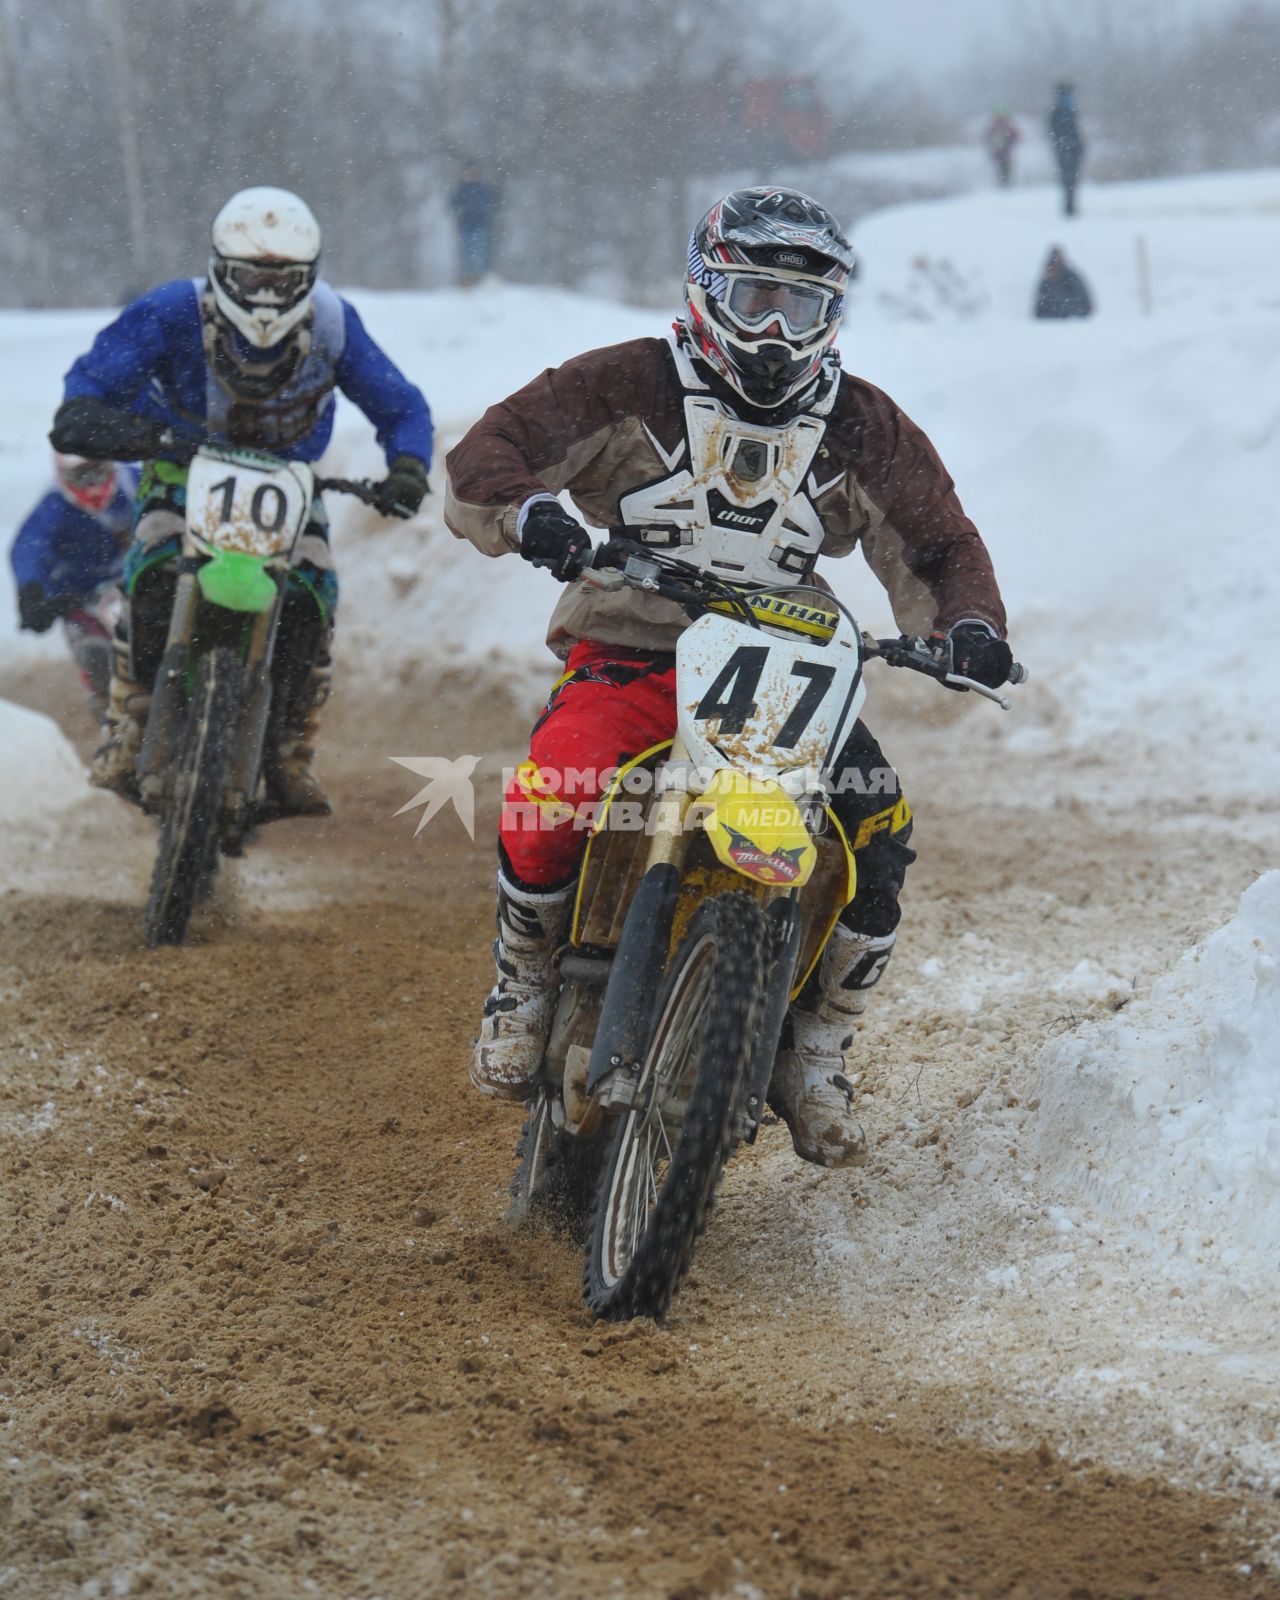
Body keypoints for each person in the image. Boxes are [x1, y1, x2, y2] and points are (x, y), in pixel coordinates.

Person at [444, 186, 1012, 1169]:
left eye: (800, 306)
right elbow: (486, 453)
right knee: (557, 789)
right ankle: (523, 979)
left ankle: (816, 1048)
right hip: (631, 643)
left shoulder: (861, 426)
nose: (775, 329)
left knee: (873, 832)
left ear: (831, 314)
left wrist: (967, 628)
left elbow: (934, 542)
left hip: (785, 669)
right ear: (706, 290)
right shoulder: (622, 383)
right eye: (753, 298)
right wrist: (529, 511)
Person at [49, 186, 433, 815]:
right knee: (149, 573)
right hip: (179, 468)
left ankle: (288, 746)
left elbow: (400, 403)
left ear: (309, 277)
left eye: (282, 281)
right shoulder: (173, 310)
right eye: (250, 276)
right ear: (220, 269)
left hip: (288, 482)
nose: (264, 295)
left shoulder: (334, 322)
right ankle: (127, 723)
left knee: (315, 591)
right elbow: (88, 386)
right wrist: (105, 423)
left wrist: (409, 465)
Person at [9, 453, 139, 718]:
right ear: (62, 474)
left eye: (97, 471)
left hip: (138, 586)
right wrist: (31, 591)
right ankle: (108, 721)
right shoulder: (53, 506)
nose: (91, 483)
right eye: (81, 475)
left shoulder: (134, 483)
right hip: (81, 600)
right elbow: (29, 548)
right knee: (93, 655)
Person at [448, 163, 501, 287]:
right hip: (465, 225)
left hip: (481, 224)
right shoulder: (461, 189)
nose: (471, 175)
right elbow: (453, 205)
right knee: (465, 253)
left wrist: (487, 211)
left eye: (473, 172)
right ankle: (465, 279)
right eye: (469, 172)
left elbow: (494, 201)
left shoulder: (483, 189)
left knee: (481, 251)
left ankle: (481, 279)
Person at [1048, 83, 1085, 217]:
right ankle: (1069, 205)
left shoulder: (1070, 111)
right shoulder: (1058, 112)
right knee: (1068, 177)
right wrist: (1064, 143)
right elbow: (1055, 132)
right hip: (1065, 149)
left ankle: (1070, 204)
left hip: (1072, 148)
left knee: (1071, 178)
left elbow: (1075, 131)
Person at [1034, 246, 1093, 319]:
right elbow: (1039, 309)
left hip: (1074, 321)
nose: (1050, 274)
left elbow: (1082, 305)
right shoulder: (1046, 283)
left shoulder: (1070, 279)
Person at [984, 108, 1020, 188]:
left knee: (1002, 168)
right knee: (1005, 168)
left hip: (1000, 152)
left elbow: (987, 138)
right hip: (1005, 153)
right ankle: (1005, 184)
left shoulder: (994, 127)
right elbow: (1016, 137)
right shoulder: (1007, 126)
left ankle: (1004, 184)